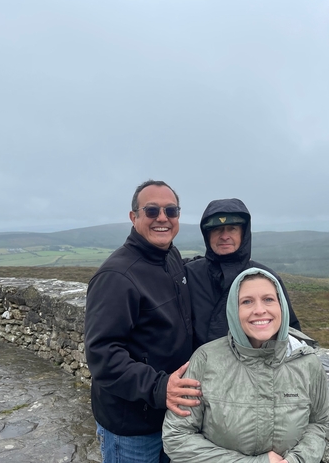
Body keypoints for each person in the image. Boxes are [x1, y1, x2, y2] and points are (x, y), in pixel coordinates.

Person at [84, 179, 202, 463]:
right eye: (152, 211)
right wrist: (160, 388)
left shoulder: (169, 256)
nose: (162, 218)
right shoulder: (116, 277)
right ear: (133, 217)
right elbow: (103, 356)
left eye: (171, 211)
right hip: (132, 427)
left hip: (170, 417)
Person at [162, 267, 329, 463]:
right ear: (234, 311)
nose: (259, 310)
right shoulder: (206, 359)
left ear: (281, 306)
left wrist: (298, 460)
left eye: (268, 299)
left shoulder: (307, 362)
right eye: (247, 301)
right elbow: (176, 436)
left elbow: (318, 423)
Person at [186, 198, 301, 349]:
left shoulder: (266, 277)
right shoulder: (189, 274)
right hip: (198, 368)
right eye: (216, 229)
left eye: (232, 228)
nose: (224, 236)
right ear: (207, 235)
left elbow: (289, 328)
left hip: (255, 368)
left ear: (243, 233)